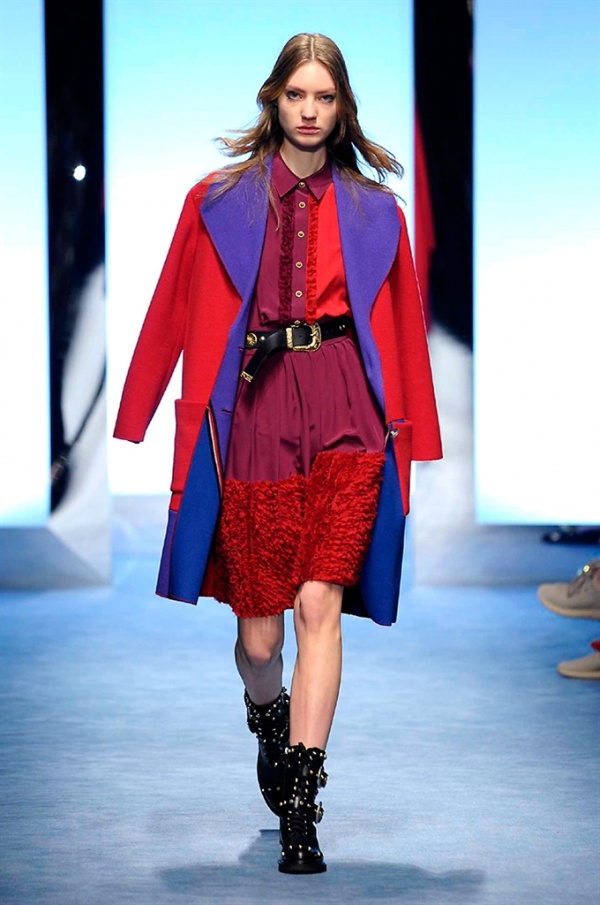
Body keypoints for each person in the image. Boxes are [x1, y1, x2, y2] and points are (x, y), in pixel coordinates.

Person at [114, 33, 442, 874]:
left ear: (342, 108)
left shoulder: (376, 212)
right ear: (274, 99)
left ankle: (302, 800)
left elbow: (403, 330)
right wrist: (138, 409)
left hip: (347, 407)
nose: (309, 110)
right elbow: (171, 304)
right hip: (254, 409)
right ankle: (269, 717)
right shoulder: (217, 199)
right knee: (260, 641)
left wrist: (418, 436)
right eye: (297, 94)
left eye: (324, 97)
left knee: (319, 603)